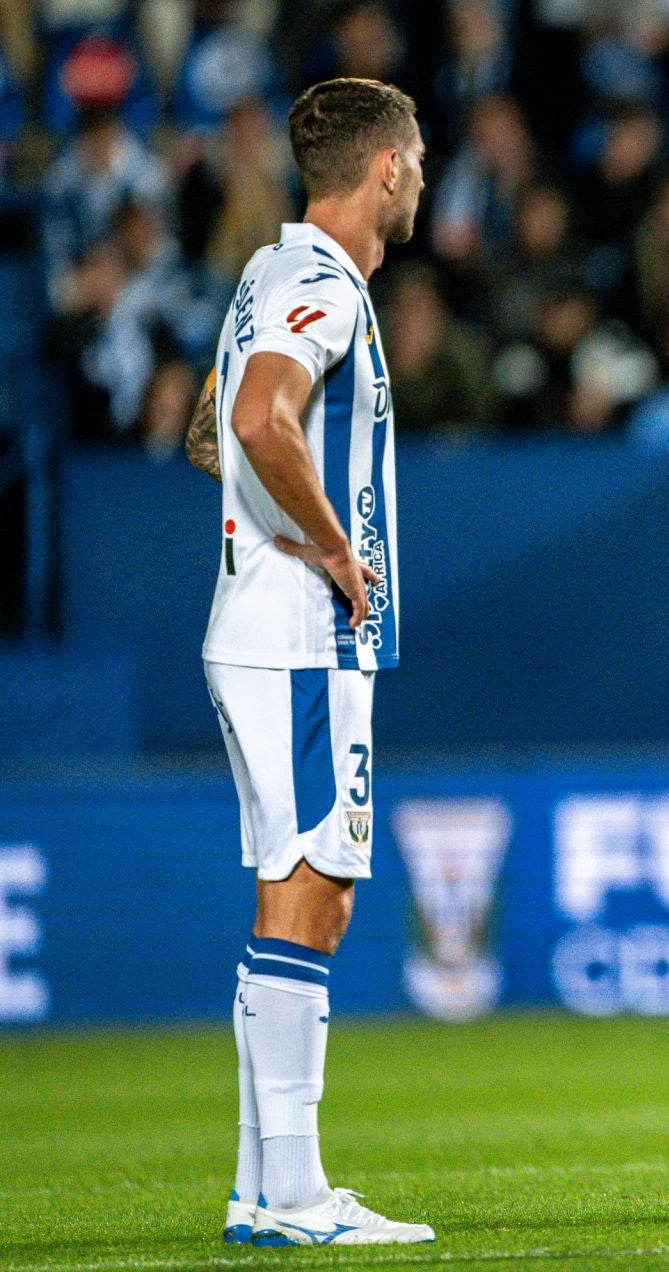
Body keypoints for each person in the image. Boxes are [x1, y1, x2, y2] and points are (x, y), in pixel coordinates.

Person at [188, 77, 434, 1247]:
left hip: (262, 621)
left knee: (292, 887)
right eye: (419, 158)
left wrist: (267, 518)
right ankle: (293, 1193)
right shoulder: (324, 286)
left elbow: (208, 425)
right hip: (297, 636)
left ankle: (260, 1185)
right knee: (315, 897)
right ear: (384, 169)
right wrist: (335, 552)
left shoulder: (263, 277)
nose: (424, 177)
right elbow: (252, 422)